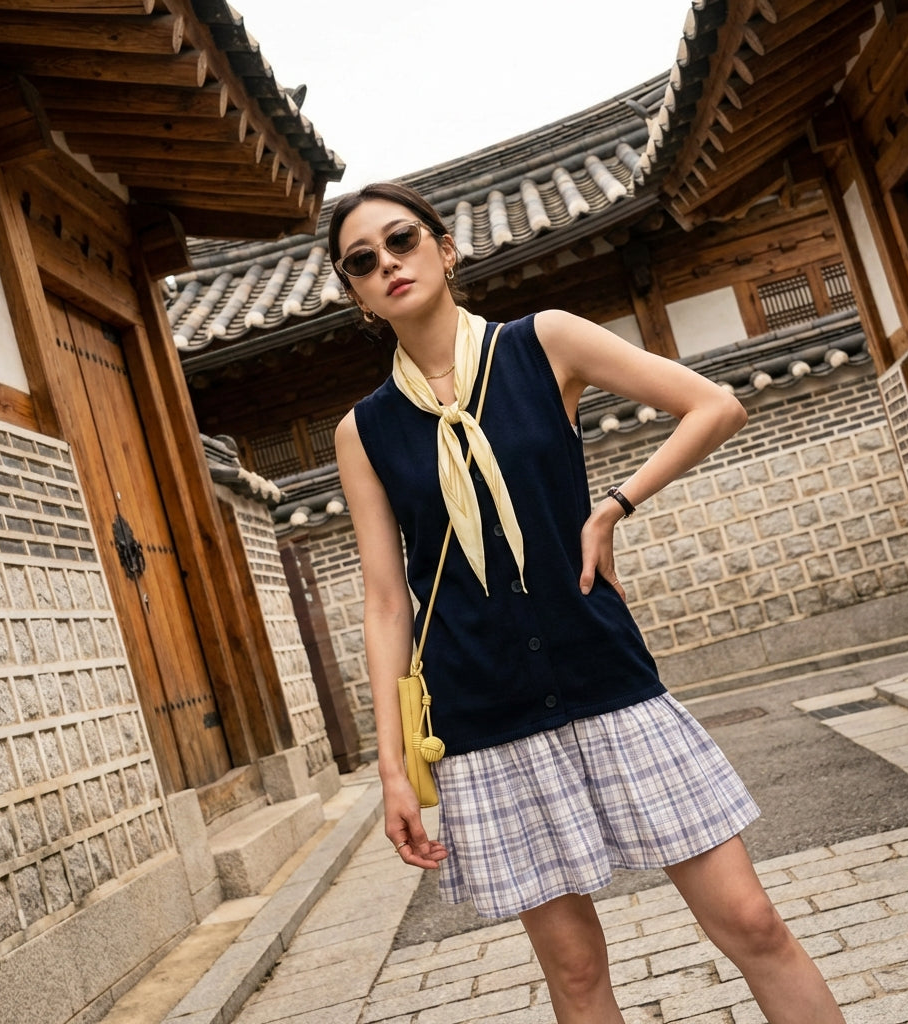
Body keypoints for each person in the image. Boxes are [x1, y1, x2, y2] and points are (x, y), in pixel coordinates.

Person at [333, 182, 846, 1024]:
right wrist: (393, 769)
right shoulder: (366, 431)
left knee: (750, 919)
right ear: (356, 294)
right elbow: (387, 604)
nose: (387, 263)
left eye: (402, 240)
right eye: (362, 261)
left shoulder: (544, 343)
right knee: (574, 973)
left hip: (606, 676)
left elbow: (714, 405)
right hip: (486, 717)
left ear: (445, 249)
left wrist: (613, 506)